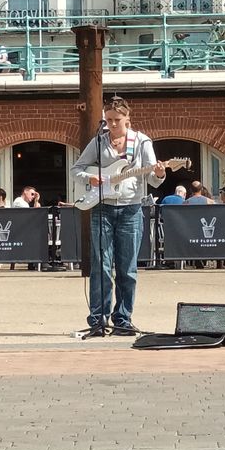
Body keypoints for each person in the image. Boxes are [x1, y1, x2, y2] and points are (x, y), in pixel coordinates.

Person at [71, 96, 166, 336]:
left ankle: (123, 317)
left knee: (127, 267)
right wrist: (90, 178)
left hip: (131, 208)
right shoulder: (98, 142)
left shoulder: (142, 142)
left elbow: (153, 179)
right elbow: (77, 169)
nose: (112, 125)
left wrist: (161, 173)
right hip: (102, 206)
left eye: (117, 120)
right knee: (101, 264)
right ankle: (98, 318)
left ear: (128, 119)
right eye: (108, 120)